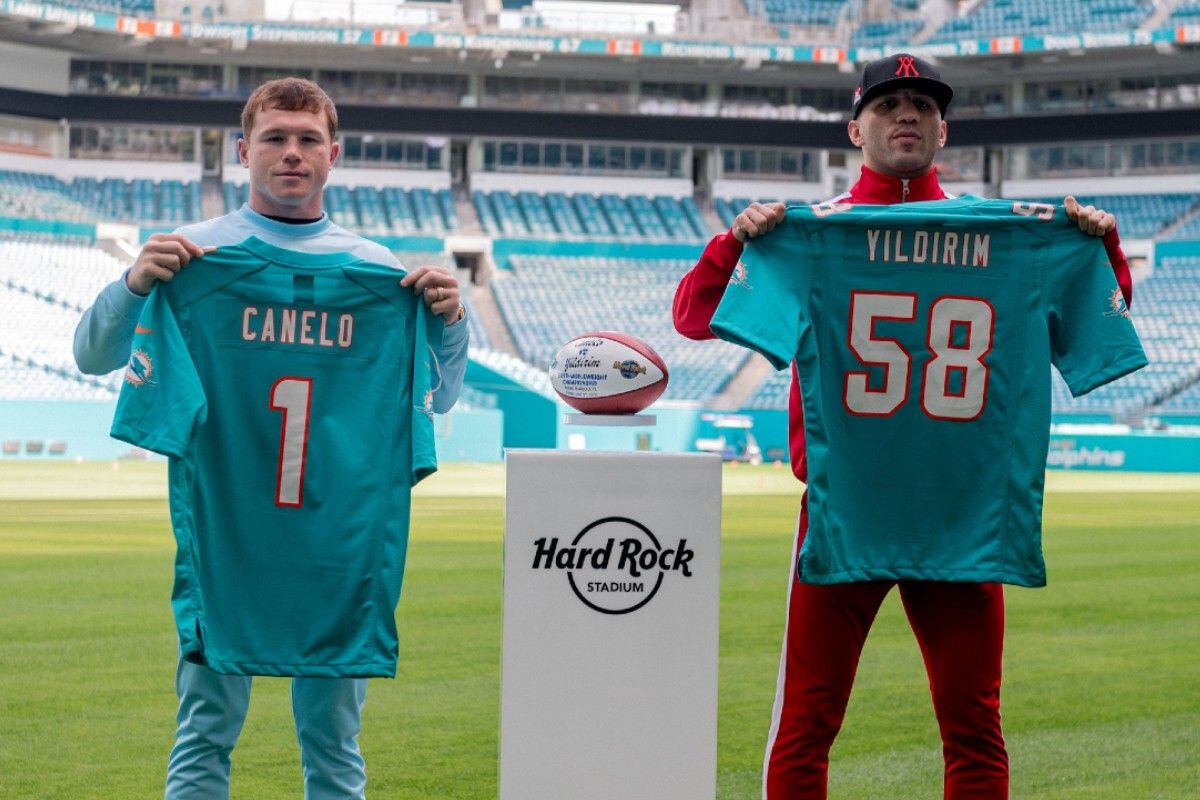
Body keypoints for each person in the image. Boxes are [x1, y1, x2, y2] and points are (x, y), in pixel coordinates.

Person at [673, 53, 1134, 800]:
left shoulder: (1014, 234)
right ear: (857, 128)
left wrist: (1096, 247)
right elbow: (693, 316)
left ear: (944, 129)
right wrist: (737, 242)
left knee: (973, 726)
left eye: (922, 104)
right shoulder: (812, 234)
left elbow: (1100, 319)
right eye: (888, 106)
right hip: (845, 506)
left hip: (963, 507)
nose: (907, 115)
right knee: (807, 723)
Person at [73, 77, 468, 800]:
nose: (291, 153)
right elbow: (90, 354)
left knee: (332, 736)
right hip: (229, 530)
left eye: (307, 139)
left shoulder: (383, 274)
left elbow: (441, 396)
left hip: (337, 541)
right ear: (242, 150)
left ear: (334, 153)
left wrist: (450, 321)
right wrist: (132, 284)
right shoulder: (193, 260)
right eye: (275, 138)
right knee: (206, 725)